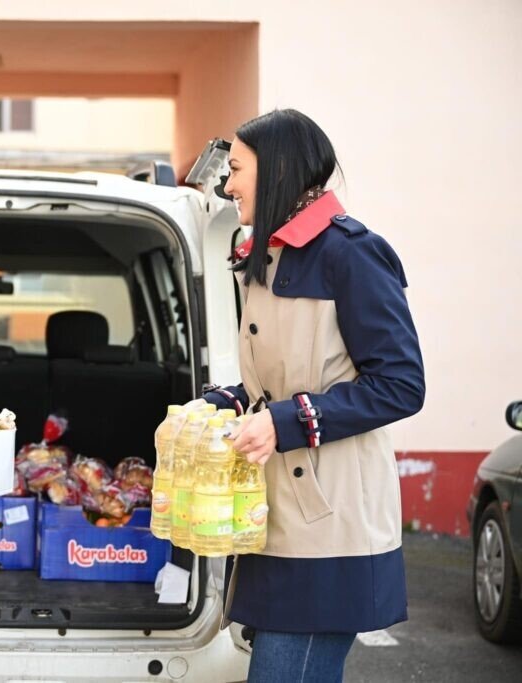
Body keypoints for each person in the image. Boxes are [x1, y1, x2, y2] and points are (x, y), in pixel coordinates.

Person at [202, 109, 425, 682]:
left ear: (276, 169)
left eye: (236, 170)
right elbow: (283, 380)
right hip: (278, 521)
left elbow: (400, 385)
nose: (227, 186)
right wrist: (227, 403)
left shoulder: (352, 253)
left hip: (331, 528)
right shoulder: (268, 254)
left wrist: (284, 422)